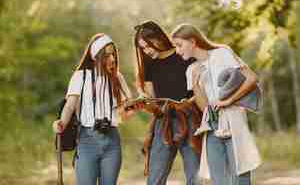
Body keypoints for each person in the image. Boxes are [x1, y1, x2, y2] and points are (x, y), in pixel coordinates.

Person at [171, 23, 262, 185]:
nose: (177, 51)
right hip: (211, 126)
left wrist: (229, 100)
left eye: (179, 45)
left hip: (233, 122)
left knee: (240, 176)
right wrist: (196, 84)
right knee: (218, 179)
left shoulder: (222, 54)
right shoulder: (191, 70)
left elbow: (252, 78)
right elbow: (204, 107)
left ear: (192, 41)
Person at [52, 33, 132, 185]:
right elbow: (70, 106)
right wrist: (61, 122)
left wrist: (132, 109)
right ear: (95, 56)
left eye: (113, 54)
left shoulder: (117, 78)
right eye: (107, 55)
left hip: (112, 140)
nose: (112, 59)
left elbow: (125, 113)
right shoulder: (80, 76)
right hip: (87, 139)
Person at [134, 20, 203, 185]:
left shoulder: (184, 55)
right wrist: (145, 104)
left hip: (190, 121)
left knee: (195, 177)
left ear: (158, 38)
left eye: (148, 45)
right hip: (163, 123)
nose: (146, 51)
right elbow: (154, 102)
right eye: (142, 48)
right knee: (154, 179)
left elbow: (201, 92)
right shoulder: (148, 66)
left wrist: (187, 103)